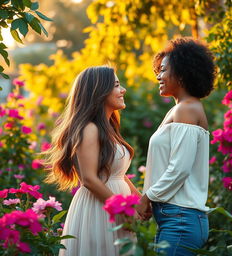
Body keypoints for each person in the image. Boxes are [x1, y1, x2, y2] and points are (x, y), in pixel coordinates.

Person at [43, 66, 141, 256]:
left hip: (115, 205)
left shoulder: (108, 128)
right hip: (100, 209)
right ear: (99, 91)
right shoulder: (89, 129)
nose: (123, 90)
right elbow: (89, 179)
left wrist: (139, 200)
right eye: (117, 85)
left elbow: (115, 173)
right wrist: (122, 211)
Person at [136, 37, 216, 255]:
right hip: (175, 218)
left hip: (181, 219)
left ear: (181, 73)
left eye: (163, 70)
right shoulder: (180, 109)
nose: (158, 76)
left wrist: (147, 197)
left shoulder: (187, 109)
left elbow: (179, 168)